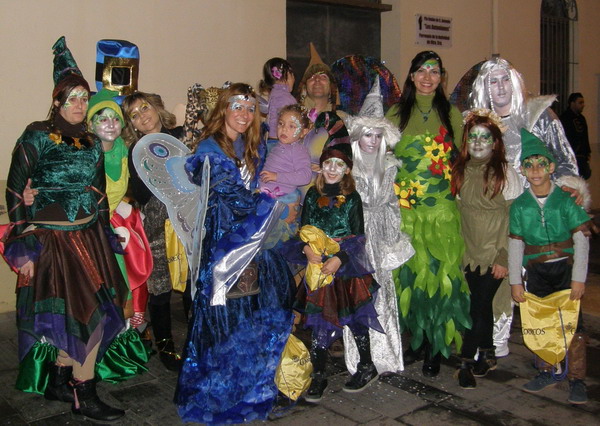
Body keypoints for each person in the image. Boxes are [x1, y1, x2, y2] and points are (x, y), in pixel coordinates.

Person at [4, 36, 126, 422]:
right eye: (71, 98)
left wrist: (106, 234)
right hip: (52, 241)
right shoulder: (37, 135)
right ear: (57, 101)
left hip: (89, 236)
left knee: (83, 313)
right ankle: (83, 393)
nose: (78, 104)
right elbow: (14, 189)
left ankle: (60, 379)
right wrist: (23, 244)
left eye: (83, 98)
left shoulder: (90, 141)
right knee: (88, 316)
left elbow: (99, 192)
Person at [174, 83, 296, 423]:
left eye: (249, 108)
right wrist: (272, 202)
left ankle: (252, 387)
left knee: (256, 315)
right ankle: (221, 393)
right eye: (237, 107)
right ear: (223, 110)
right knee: (227, 319)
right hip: (227, 244)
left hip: (253, 242)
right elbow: (236, 198)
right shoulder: (210, 150)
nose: (244, 114)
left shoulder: (252, 144)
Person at [469, 57, 589, 357]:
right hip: (494, 219)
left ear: (514, 82)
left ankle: (558, 355)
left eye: (505, 79)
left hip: (536, 219)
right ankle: (493, 344)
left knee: (544, 287)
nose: (500, 87)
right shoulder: (479, 123)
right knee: (497, 281)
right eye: (493, 81)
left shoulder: (540, 116)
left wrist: (568, 188)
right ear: (484, 87)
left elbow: (564, 160)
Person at [385, 51, 470, 377]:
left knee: (439, 275)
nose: (427, 77)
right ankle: (416, 340)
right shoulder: (395, 113)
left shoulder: (452, 114)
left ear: (441, 77)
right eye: (421, 70)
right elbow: (381, 158)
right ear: (411, 76)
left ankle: (436, 345)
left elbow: (464, 161)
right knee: (409, 275)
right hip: (406, 211)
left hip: (440, 212)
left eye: (434, 71)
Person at [285, 144, 383, 402]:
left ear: (347, 170)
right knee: (319, 320)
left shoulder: (352, 198)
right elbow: (303, 230)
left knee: (355, 316)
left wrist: (339, 259)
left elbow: (359, 237)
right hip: (318, 267)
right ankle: (319, 374)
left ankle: (366, 366)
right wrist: (306, 249)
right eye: (328, 163)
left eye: (339, 165)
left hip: (344, 267)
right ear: (321, 167)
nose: (332, 169)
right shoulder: (311, 194)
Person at [509, 129, 591, 404]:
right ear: (522, 170)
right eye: (529, 165)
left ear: (551, 167)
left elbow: (581, 239)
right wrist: (515, 281)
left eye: (541, 164)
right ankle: (546, 370)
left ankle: (576, 378)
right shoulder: (520, 206)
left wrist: (578, 278)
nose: (535, 170)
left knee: (573, 325)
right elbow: (515, 244)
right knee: (541, 322)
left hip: (565, 270)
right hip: (537, 273)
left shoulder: (565, 201)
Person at [342, 78, 414, 376]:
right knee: (358, 294)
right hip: (356, 237)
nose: (372, 140)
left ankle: (386, 355)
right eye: (367, 135)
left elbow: (393, 206)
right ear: (358, 136)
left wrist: (392, 238)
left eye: (377, 135)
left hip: (380, 235)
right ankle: (360, 358)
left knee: (382, 293)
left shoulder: (390, 167)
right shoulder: (348, 168)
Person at [451, 109, 522, 389]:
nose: (478, 142)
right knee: (480, 306)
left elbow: (515, 220)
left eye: (485, 137)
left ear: (495, 142)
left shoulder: (505, 173)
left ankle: (465, 362)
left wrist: (504, 256)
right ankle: (488, 352)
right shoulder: (459, 171)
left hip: (495, 251)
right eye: (473, 137)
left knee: (476, 306)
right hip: (469, 251)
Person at [122, 91, 188, 371]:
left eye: (145, 108)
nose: (142, 116)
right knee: (159, 289)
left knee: (192, 285)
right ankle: (165, 347)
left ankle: (196, 343)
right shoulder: (135, 151)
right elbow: (139, 193)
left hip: (188, 221)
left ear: (157, 108)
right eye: (134, 115)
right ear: (132, 124)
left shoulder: (182, 136)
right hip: (156, 225)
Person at [297, 43, 349, 201]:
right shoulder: (291, 116)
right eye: (312, 77)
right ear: (304, 87)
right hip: (293, 196)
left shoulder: (344, 120)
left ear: (332, 88)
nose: (317, 80)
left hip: (328, 197)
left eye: (323, 77)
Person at [258, 57, 297, 144]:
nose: (294, 80)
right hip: (281, 141)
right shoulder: (286, 98)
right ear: (287, 75)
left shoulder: (274, 94)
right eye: (293, 75)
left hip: (271, 140)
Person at [560, 92, 591, 180]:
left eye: (583, 102)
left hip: (581, 156)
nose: (583, 105)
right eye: (580, 103)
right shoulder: (565, 118)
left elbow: (585, 136)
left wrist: (587, 152)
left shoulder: (582, 118)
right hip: (570, 156)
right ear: (572, 103)